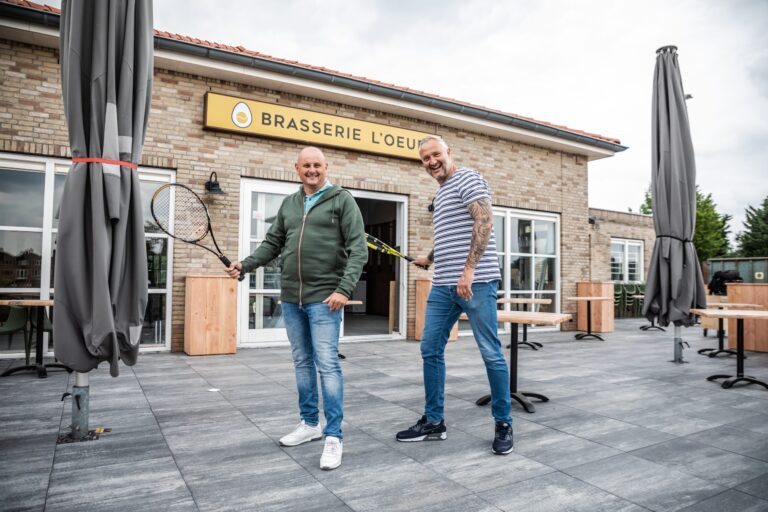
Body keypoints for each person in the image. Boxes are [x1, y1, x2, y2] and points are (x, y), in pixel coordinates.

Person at [226, 146, 367, 470]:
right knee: (302, 362)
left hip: (325, 300)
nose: (312, 170)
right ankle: (309, 425)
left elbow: (358, 249)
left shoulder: (342, 200)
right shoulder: (290, 203)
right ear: (297, 168)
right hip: (292, 298)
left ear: (326, 167)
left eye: (317, 165)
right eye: (306, 165)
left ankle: (334, 436)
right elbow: (272, 244)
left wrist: (344, 289)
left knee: (327, 365)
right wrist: (245, 265)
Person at [396, 136, 514, 455]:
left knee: (490, 351)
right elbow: (453, 233)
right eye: (425, 158)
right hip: (443, 284)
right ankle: (434, 422)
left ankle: (503, 422)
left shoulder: (468, 178)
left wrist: (469, 270)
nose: (432, 161)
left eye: (436, 154)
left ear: (450, 153)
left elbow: (484, 221)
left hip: (475, 282)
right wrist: (431, 258)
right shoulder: (442, 190)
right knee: (430, 348)